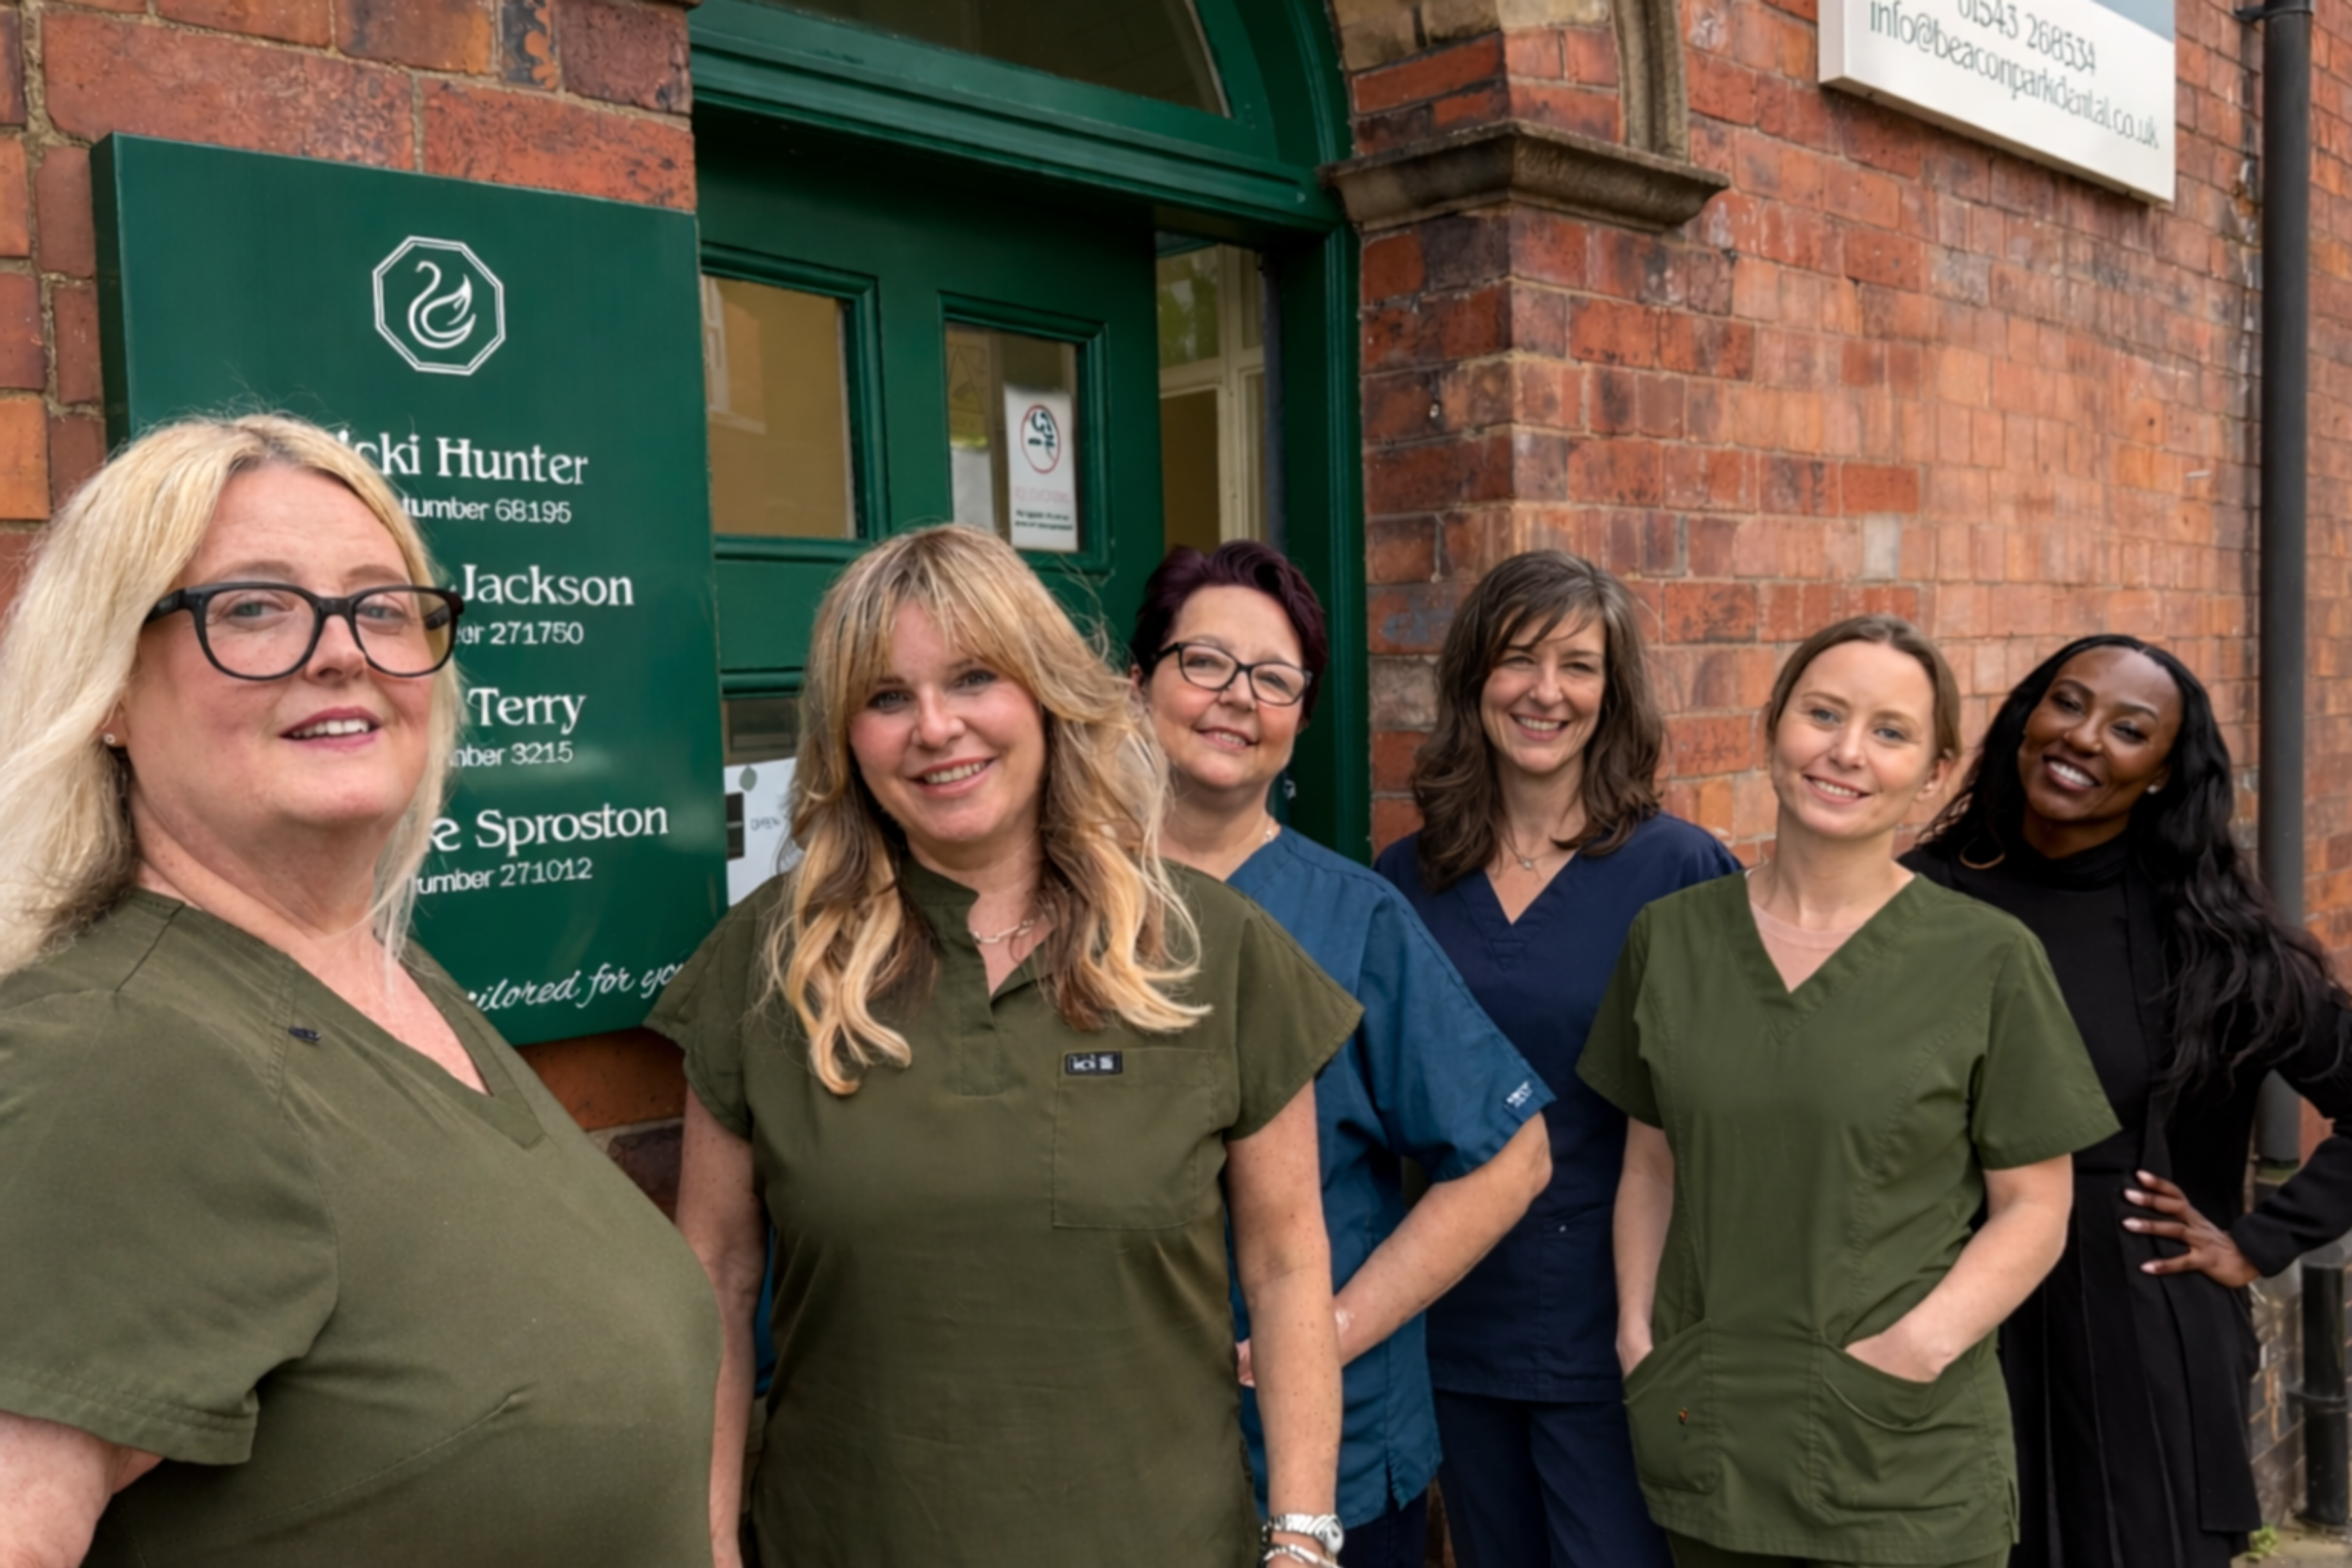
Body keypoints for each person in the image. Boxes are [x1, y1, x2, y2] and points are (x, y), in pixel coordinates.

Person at [0, 415, 720, 1567]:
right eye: (252, 607)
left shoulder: (384, 971)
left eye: (381, 607)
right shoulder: (116, 1054)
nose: (342, 652)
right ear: (111, 693)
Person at [652, 524, 1360, 1568]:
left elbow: (1290, 1259)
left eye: (975, 678)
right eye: (887, 697)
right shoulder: (768, 967)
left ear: (1044, 695)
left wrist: (1303, 1538)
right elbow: (711, 1274)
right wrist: (709, 1545)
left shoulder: (1210, 948)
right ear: (846, 737)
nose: (936, 728)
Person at [1580, 614, 2120, 1568]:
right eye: (1823, 714)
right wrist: (1637, 1333)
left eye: (1890, 731)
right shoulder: (1669, 940)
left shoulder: (1989, 961)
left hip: (1904, 1461)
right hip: (1711, 1432)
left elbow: (2036, 1206)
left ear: (1938, 767)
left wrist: (1920, 1347)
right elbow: (1652, 1166)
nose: (1845, 752)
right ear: (1774, 725)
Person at [1131, 541, 1555, 1567]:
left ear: (1300, 721)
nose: (1238, 698)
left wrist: (1333, 1327)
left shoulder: (1354, 919)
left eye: (1274, 680)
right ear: (1133, 683)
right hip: (1117, 1444)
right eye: (1204, 663)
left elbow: (1514, 1156)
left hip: (1325, 1465)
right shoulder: (1058, 902)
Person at [1904, 634, 2352, 1568]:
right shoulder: (1917, 902)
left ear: (2162, 773)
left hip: (2139, 1331)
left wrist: (2260, 1241)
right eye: (2066, 704)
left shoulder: (2212, 941)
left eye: (2129, 729)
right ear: (2027, 717)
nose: (2084, 738)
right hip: (1945, 1314)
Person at [1370, 550, 1738, 1568]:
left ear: (1613, 695)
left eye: (1578, 666)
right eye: (1518, 660)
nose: (1546, 692)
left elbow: (1727, 1105)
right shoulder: (1407, 878)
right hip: (1457, 1316)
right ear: (1472, 681)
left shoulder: (1682, 871)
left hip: (1623, 1318)